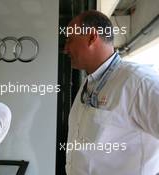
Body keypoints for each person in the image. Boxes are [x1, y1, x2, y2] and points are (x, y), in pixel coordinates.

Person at [64, 10, 159, 175]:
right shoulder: (89, 83)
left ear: (92, 37)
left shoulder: (139, 82)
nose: (66, 49)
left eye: (70, 40)